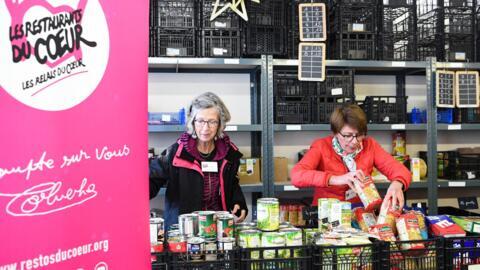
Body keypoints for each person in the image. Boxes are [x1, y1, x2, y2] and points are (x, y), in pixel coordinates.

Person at [149, 92, 248, 230]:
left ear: (220, 124)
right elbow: (151, 179)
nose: (206, 128)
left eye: (212, 122)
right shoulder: (176, 153)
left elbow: (232, 183)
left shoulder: (228, 153)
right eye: (200, 121)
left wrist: (238, 202)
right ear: (192, 122)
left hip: (218, 228)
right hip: (184, 231)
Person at [290, 104, 411, 210]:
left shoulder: (370, 145)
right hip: (328, 215)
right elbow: (297, 176)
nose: (354, 141)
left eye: (359, 135)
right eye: (348, 135)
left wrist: (397, 183)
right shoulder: (321, 146)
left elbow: (400, 170)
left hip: (360, 215)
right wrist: (336, 179)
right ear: (336, 132)